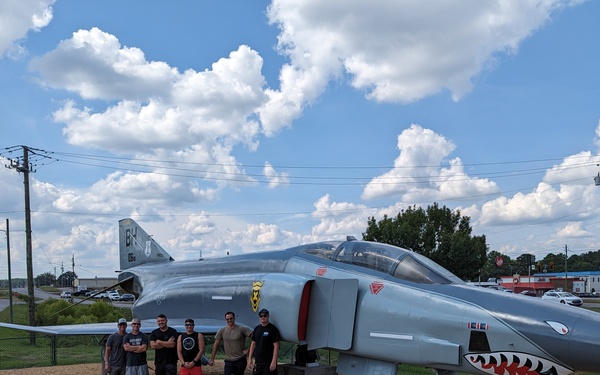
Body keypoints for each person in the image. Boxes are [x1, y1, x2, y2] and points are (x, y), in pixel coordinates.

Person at [247, 309, 280, 375]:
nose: (263, 318)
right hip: (258, 362)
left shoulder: (273, 329)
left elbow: (276, 346)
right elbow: (253, 344)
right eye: (261, 316)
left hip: (268, 362)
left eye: (264, 316)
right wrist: (249, 358)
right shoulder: (257, 329)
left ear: (268, 316)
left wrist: (273, 361)